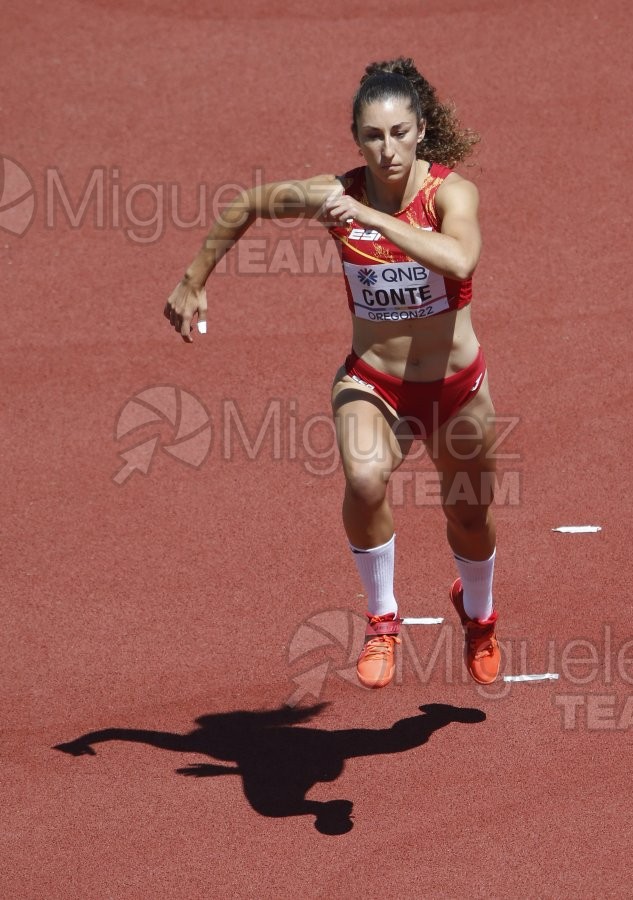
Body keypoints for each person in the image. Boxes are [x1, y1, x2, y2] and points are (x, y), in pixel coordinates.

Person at [164, 57, 501, 691]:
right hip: (375, 383)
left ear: (422, 129)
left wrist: (372, 217)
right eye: (373, 136)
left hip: (458, 393)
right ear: (357, 138)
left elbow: (460, 257)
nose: (388, 149)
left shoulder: (450, 193)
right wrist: (193, 279)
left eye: (400, 133)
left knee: (471, 520)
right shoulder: (332, 192)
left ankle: (479, 616)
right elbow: (247, 203)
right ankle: (382, 622)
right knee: (365, 478)